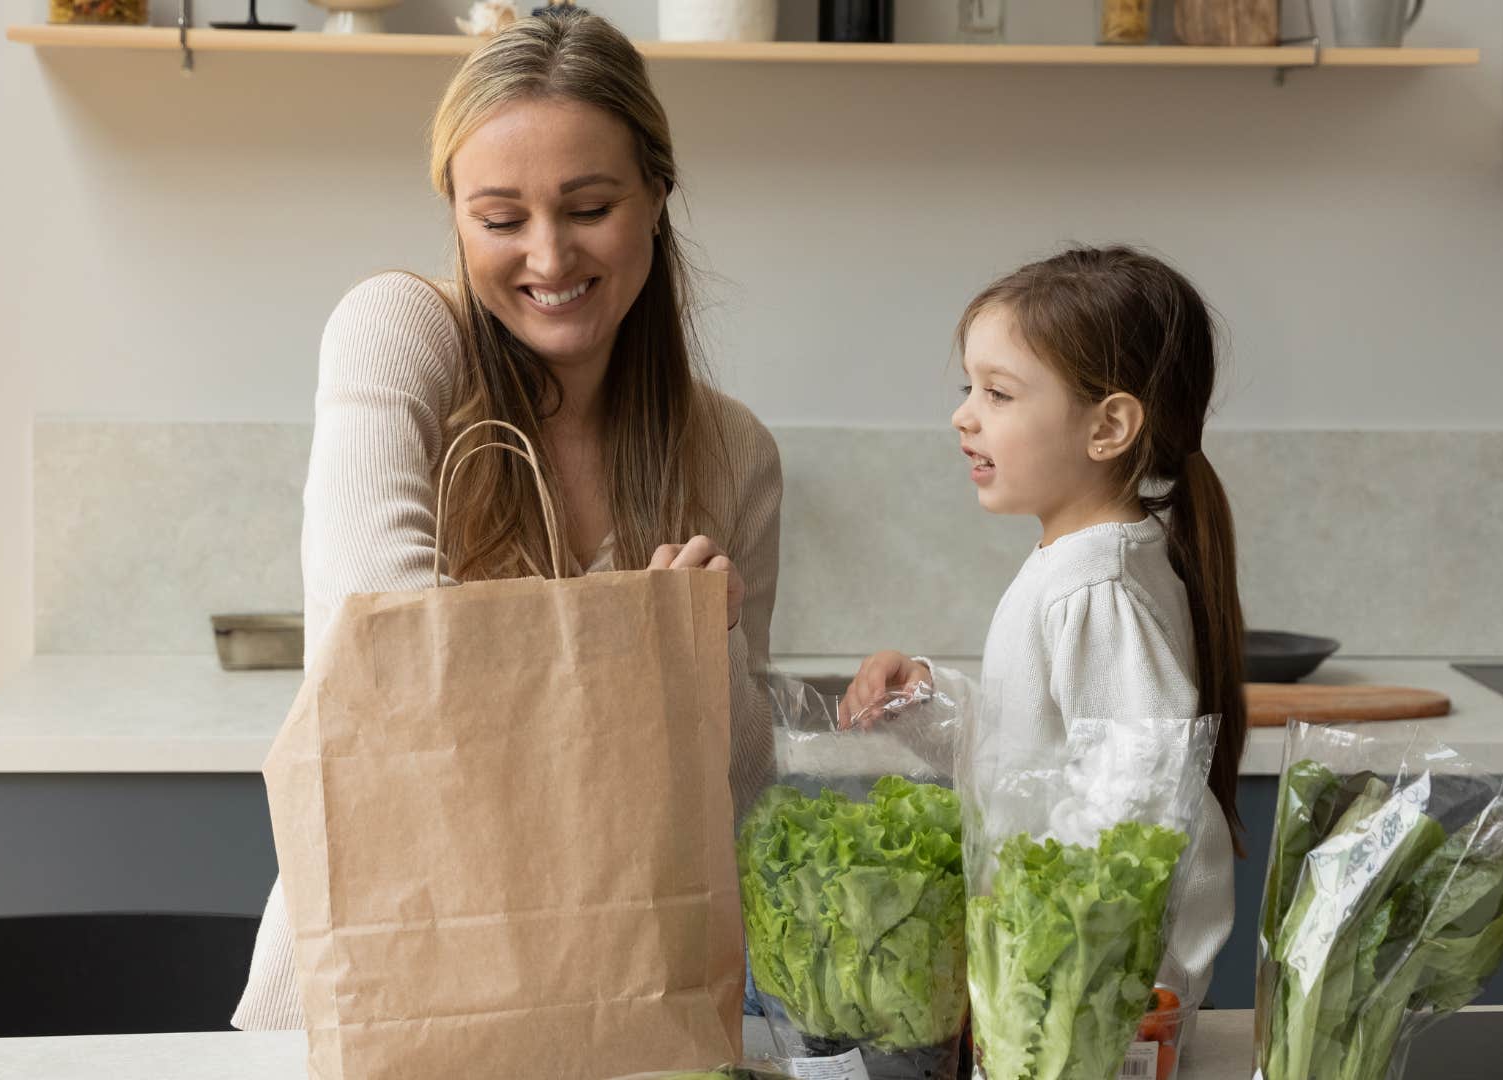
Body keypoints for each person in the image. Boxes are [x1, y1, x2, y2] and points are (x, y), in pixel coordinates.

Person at [231, 9, 783, 1030]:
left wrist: (723, 643)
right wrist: (643, 649)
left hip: (609, 1003)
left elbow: (731, 800)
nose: (547, 254)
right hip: (364, 999)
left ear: (656, 196)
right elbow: (381, 642)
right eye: (500, 218)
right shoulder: (397, 334)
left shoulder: (734, 454)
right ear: (454, 214)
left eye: (589, 206)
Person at [841, 244, 1246, 1003]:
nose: (963, 414)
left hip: (1095, 995)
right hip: (1072, 978)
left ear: (1109, 427)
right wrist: (930, 699)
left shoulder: (1093, 586)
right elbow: (1040, 754)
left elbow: (1138, 809)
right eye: (970, 386)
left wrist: (1066, 973)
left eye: (998, 393)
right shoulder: (1086, 565)